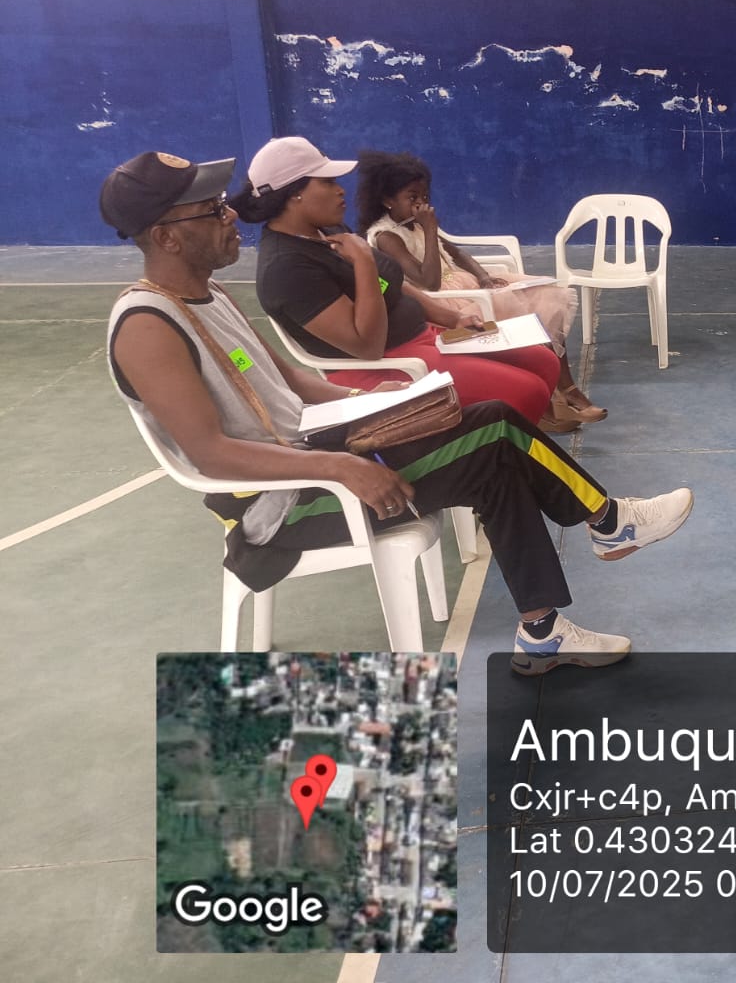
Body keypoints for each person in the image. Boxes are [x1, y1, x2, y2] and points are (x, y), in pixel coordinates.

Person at [100, 150, 693, 673]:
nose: (230, 216)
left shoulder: (208, 296)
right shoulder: (148, 327)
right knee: (494, 430)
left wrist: (375, 402)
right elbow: (209, 455)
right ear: (166, 237)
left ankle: (548, 623)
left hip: (318, 453)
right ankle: (606, 523)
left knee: (491, 441)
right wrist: (339, 467)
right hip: (284, 507)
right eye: (211, 211)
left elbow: (290, 381)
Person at [234, 136, 578, 435]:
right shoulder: (286, 269)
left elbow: (394, 284)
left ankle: (509, 442)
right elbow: (366, 346)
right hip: (385, 365)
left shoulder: (328, 230)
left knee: (543, 361)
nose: (340, 190)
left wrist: (451, 318)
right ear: (294, 194)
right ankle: (495, 459)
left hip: (425, 337)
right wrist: (364, 263)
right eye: (327, 182)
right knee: (525, 390)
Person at [353, 149, 604, 424]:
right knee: (524, 310)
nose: (421, 204)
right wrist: (430, 229)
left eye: (425, 197)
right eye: (412, 198)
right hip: (444, 302)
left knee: (543, 295)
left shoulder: (415, 224)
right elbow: (429, 281)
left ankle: (564, 389)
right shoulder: (386, 236)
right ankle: (554, 401)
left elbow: (458, 254)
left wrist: (483, 276)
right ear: (387, 200)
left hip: (468, 285)